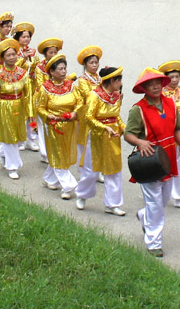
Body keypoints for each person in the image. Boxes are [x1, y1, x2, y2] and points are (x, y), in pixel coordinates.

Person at [124, 68, 180, 258]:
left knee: (164, 198)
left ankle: (144, 217)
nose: (155, 87)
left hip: (168, 159)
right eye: (150, 84)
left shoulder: (170, 103)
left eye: (158, 83)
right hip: (149, 160)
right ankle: (153, 242)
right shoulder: (138, 109)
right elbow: (128, 134)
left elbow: (178, 127)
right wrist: (140, 142)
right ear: (144, 88)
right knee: (154, 203)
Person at [75, 66, 126, 215]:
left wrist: (123, 128)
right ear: (111, 81)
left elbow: (116, 116)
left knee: (114, 169)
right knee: (91, 170)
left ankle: (113, 204)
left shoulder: (116, 96)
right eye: (118, 80)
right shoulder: (94, 95)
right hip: (97, 136)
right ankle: (82, 195)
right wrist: (104, 128)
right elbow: (89, 117)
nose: (120, 83)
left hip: (113, 137)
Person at [0, 38, 32, 179]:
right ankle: (12, 167)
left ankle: (3, 151)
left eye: (14, 54)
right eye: (8, 55)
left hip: (20, 107)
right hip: (5, 107)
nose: (12, 57)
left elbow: (28, 94)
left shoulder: (23, 73)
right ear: (3, 58)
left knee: (18, 138)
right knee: (10, 137)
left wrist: (30, 113)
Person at [37, 53, 82, 199]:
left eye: (65, 69)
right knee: (58, 153)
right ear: (52, 72)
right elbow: (40, 107)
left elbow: (80, 101)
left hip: (69, 125)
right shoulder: (45, 88)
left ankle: (49, 178)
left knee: (64, 152)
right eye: (60, 69)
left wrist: (75, 112)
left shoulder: (71, 86)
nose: (63, 72)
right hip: (54, 125)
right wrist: (48, 116)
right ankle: (68, 186)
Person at [159, 59, 180, 210]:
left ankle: (179, 197)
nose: (174, 80)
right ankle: (158, 194)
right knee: (162, 162)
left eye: (177, 77)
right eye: (171, 77)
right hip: (164, 133)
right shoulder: (161, 92)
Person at [74, 46, 103, 182]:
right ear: (85, 64)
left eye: (96, 62)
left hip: (99, 113)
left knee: (98, 142)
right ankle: (84, 170)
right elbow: (89, 95)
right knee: (84, 142)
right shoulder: (82, 80)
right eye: (91, 63)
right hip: (86, 114)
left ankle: (97, 169)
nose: (94, 65)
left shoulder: (100, 78)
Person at [13, 22, 40, 152]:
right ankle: (20, 139)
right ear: (17, 38)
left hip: (32, 84)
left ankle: (31, 139)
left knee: (32, 112)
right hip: (20, 85)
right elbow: (13, 66)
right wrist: (23, 58)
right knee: (21, 112)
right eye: (23, 37)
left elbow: (39, 67)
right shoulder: (14, 52)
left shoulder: (33, 52)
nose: (26, 39)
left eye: (28, 36)